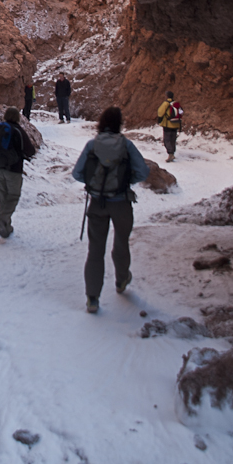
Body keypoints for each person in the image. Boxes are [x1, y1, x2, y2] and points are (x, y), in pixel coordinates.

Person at [72, 106, 149, 313]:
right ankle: (122, 279)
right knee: (121, 242)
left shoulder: (92, 145)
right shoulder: (126, 145)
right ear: (118, 123)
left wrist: (94, 185)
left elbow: (77, 174)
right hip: (121, 202)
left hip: (97, 203)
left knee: (95, 250)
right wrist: (126, 183)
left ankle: (92, 298)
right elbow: (143, 171)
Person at [0, 107, 36, 238]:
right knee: (13, 196)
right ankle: (3, 219)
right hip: (13, 169)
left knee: (3, 197)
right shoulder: (18, 130)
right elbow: (30, 150)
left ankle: (6, 227)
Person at [157, 90, 184, 162]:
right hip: (176, 123)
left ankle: (170, 154)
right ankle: (172, 153)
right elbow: (181, 112)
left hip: (168, 124)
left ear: (167, 96)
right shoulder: (176, 103)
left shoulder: (166, 103)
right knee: (173, 139)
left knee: (167, 140)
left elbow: (160, 112)